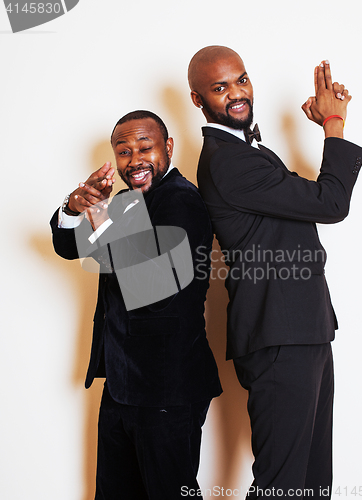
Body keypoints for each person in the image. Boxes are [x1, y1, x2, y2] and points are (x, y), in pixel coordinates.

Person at [188, 46, 362, 499]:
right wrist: (333, 126)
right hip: (278, 336)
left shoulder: (248, 150)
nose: (236, 93)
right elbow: (330, 203)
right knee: (282, 487)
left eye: (241, 80)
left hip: (303, 329)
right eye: (220, 87)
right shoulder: (228, 160)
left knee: (310, 482)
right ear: (198, 99)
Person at [50, 110, 222, 500]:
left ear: (168, 148)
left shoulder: (183, 201)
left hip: (168, 386)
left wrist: (102, 221)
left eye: (145, 147)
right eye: (124, 151)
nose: (135, 160)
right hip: (122, 384)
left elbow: (155, 285)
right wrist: (77, 206)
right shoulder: (125, 204)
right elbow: (68, 246)